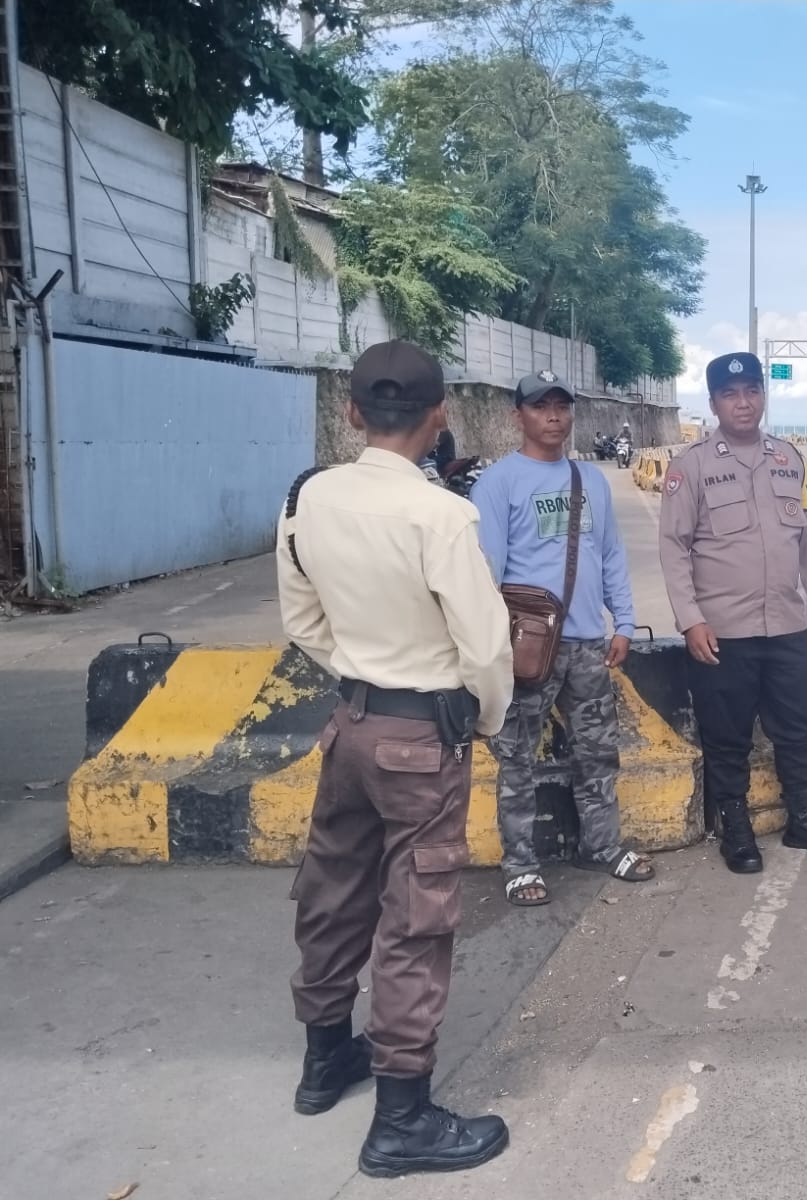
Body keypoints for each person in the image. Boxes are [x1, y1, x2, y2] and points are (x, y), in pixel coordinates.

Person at [276, 340, 515, 1178]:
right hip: (423, 739)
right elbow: (485, 647)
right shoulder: (440, 515)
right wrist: (483, 718)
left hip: (349, 725)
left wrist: (360, 676)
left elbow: (303, 621)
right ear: (439, 415)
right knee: (416, 918)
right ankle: (402, 1121)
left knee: (333, 892)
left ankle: (324, 1062)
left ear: (351, 413)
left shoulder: (308, 497)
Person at [659, 351, 807, 873]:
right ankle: (736, 830)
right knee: (726, 737)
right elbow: (674, 548)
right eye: (730, 394)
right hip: (723, 631)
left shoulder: (791, 459)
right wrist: (690, 618)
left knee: (800, 726)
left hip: (786, 625)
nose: (743, 402)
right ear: (713, 404)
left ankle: (804, 819)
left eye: (752, 391)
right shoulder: (691, 467)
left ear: (763, 396)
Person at [471, 369, 652, 907]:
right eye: (540, 406)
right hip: (528, 647)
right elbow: (487, 573)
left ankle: (601, 846)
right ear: (518, 416)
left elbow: (610, 554)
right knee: (517, 759)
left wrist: (623, 621)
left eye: (561, 406)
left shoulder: (590, 480)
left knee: (598, 753)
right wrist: (490, 649)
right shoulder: (498, 483)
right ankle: (520, 864)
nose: (553, 416)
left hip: (588, 646)